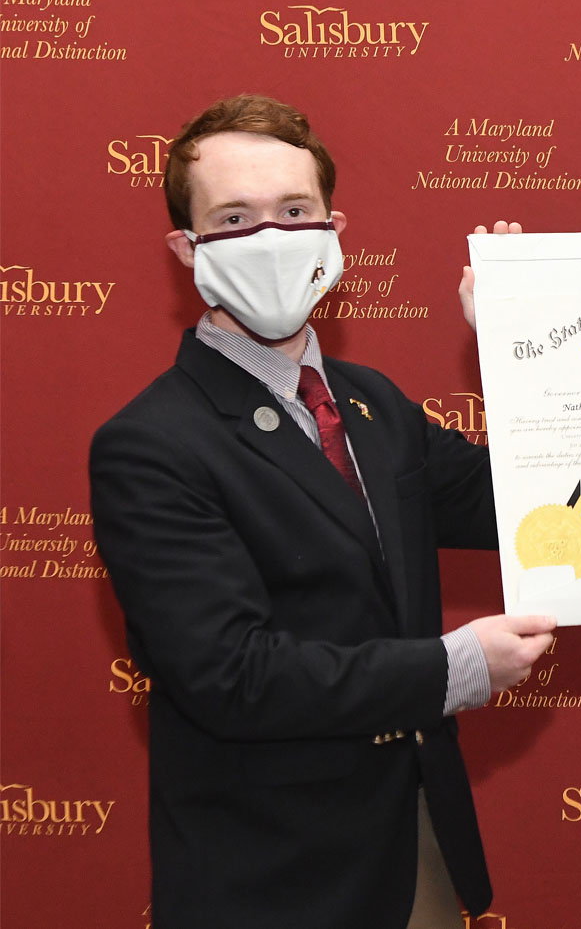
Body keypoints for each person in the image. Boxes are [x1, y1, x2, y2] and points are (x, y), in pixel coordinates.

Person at [89, 94, 556, 929]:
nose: (270, 238)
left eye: (294, 212)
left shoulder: (372, 404)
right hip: (272, 880)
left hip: (417, 853)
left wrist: (527, 347)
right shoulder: (150, 445)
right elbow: (230, 675)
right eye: (234, 218)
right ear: (185, 249)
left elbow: (535, 497)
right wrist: (452, 668)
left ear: (334, 230)